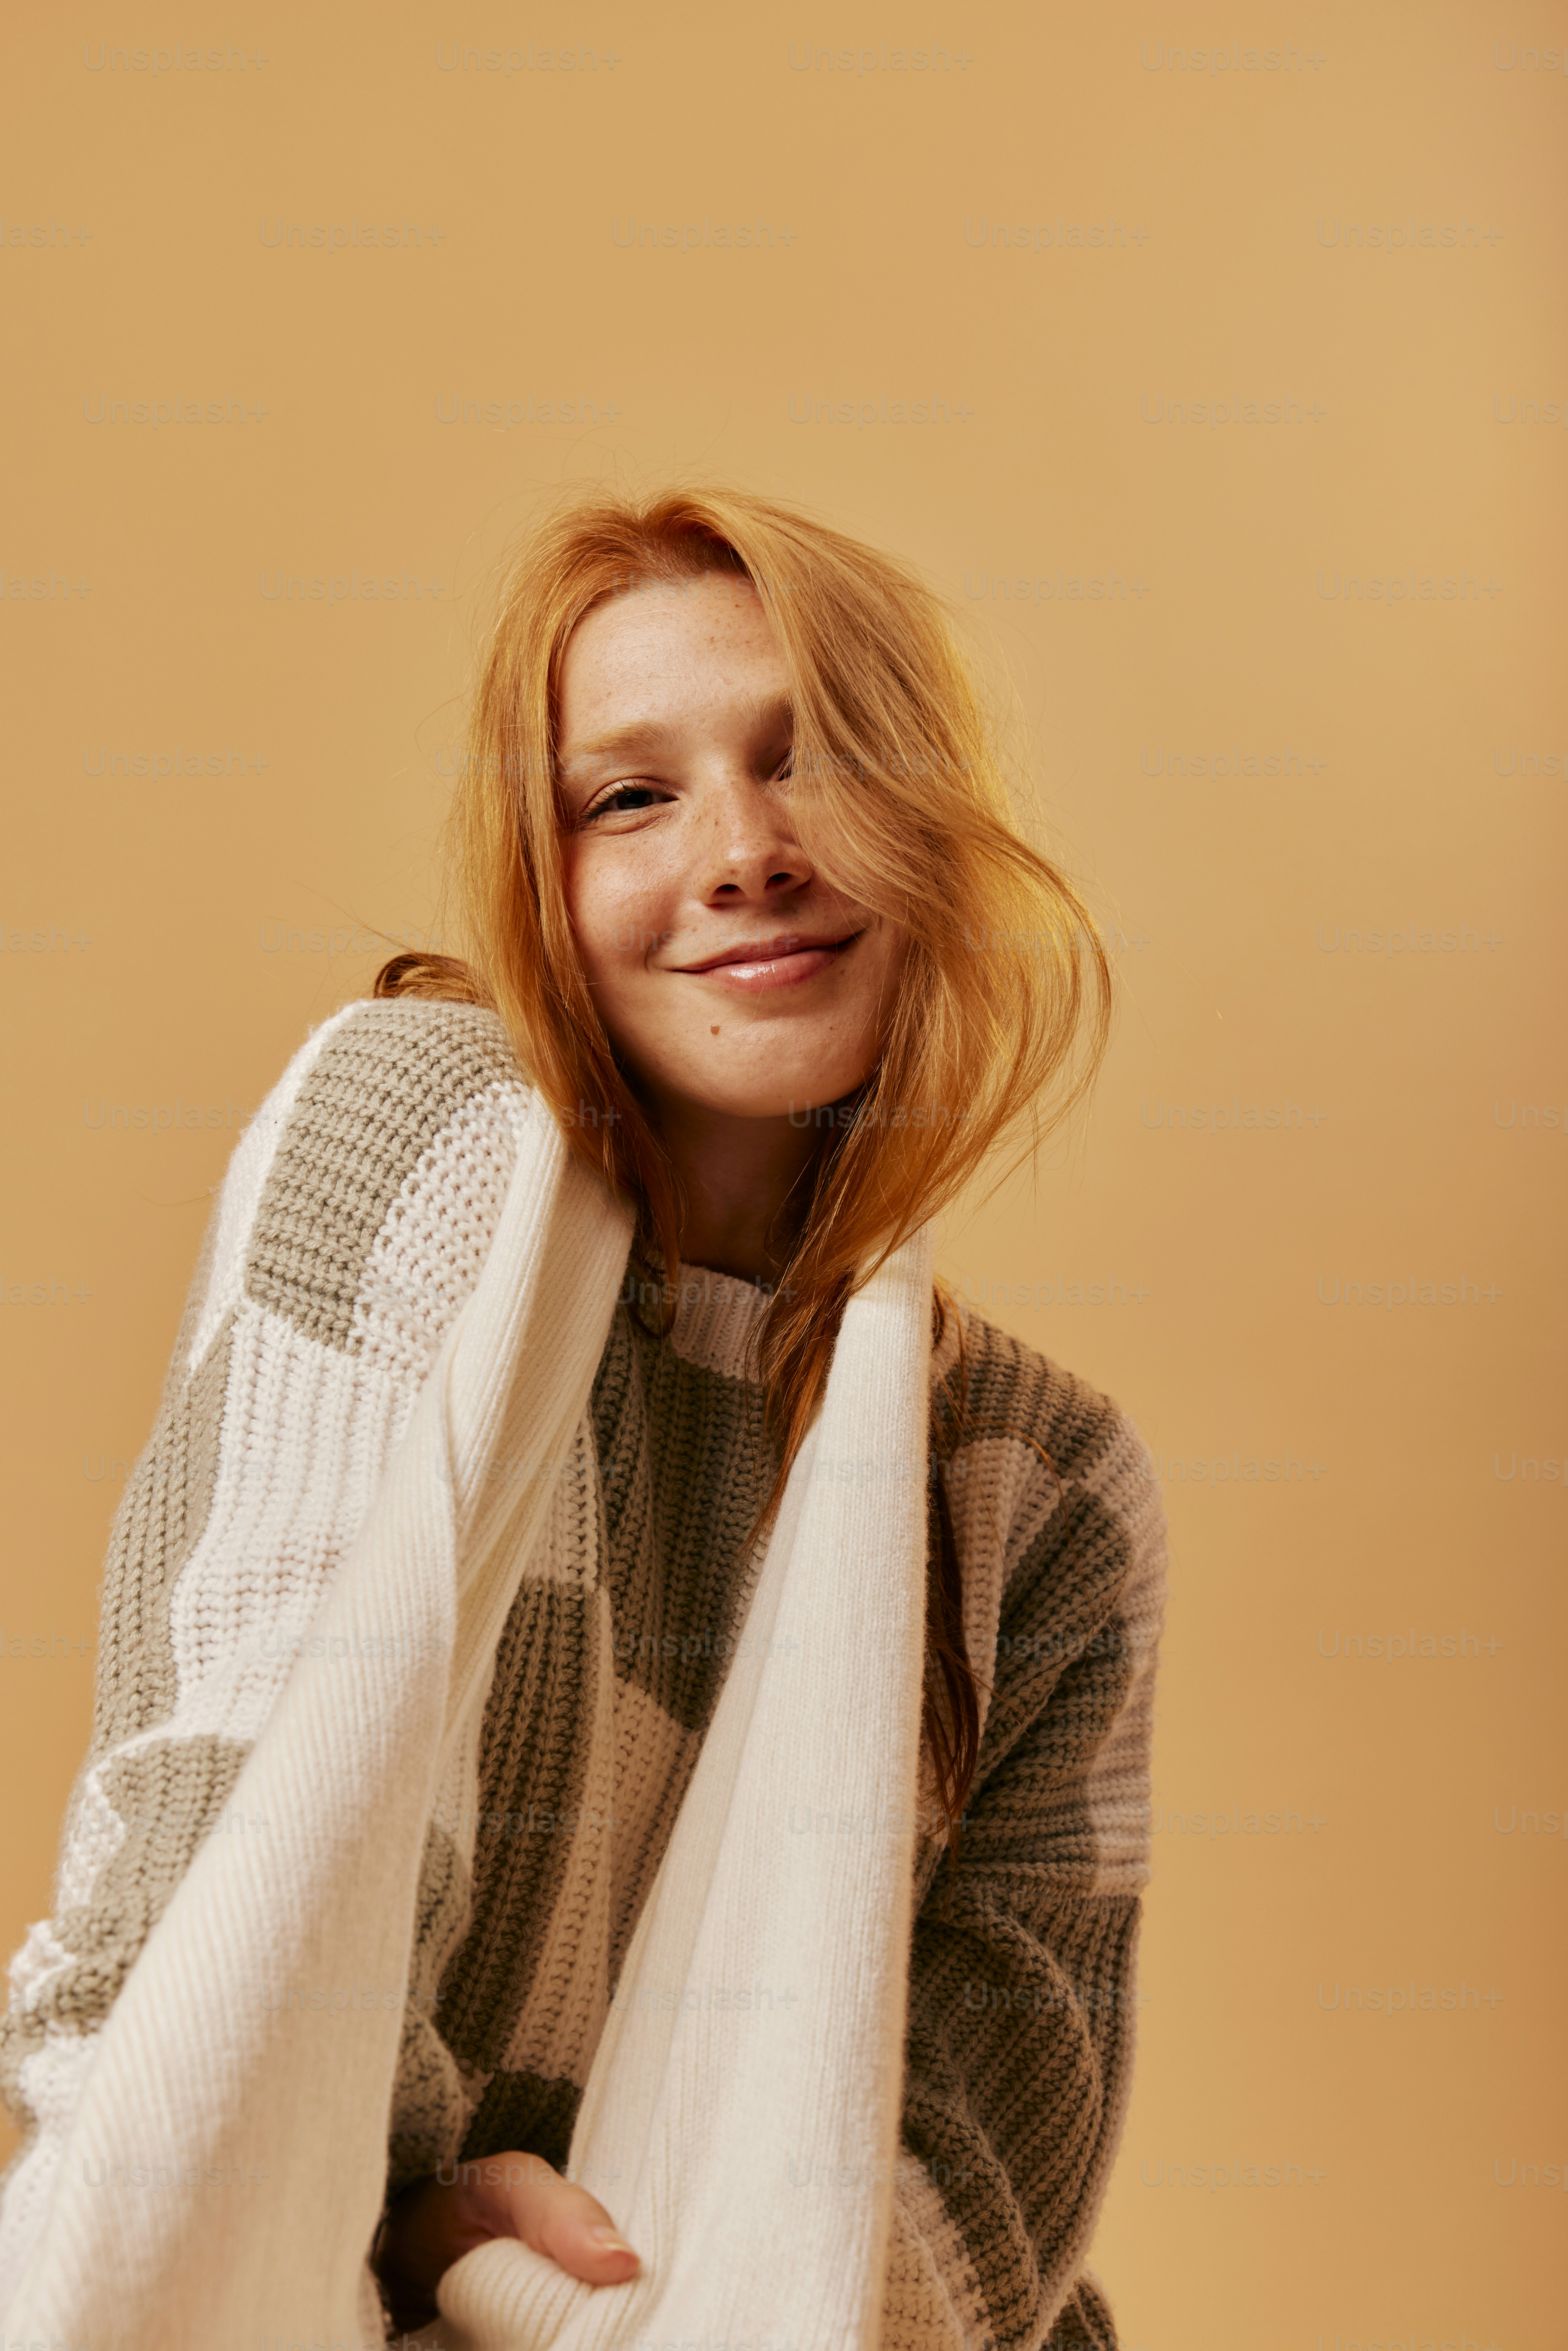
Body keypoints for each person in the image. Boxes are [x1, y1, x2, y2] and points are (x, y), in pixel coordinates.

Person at [0, 487, 1167, 2350]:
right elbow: (235, 1827)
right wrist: (423, 2212)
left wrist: (564, 2302)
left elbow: (981, 2170)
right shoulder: (413, 1140)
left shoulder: (1044, 1488)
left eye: (816, 766)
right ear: (543, 874)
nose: (743, 853)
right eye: (632, 794)